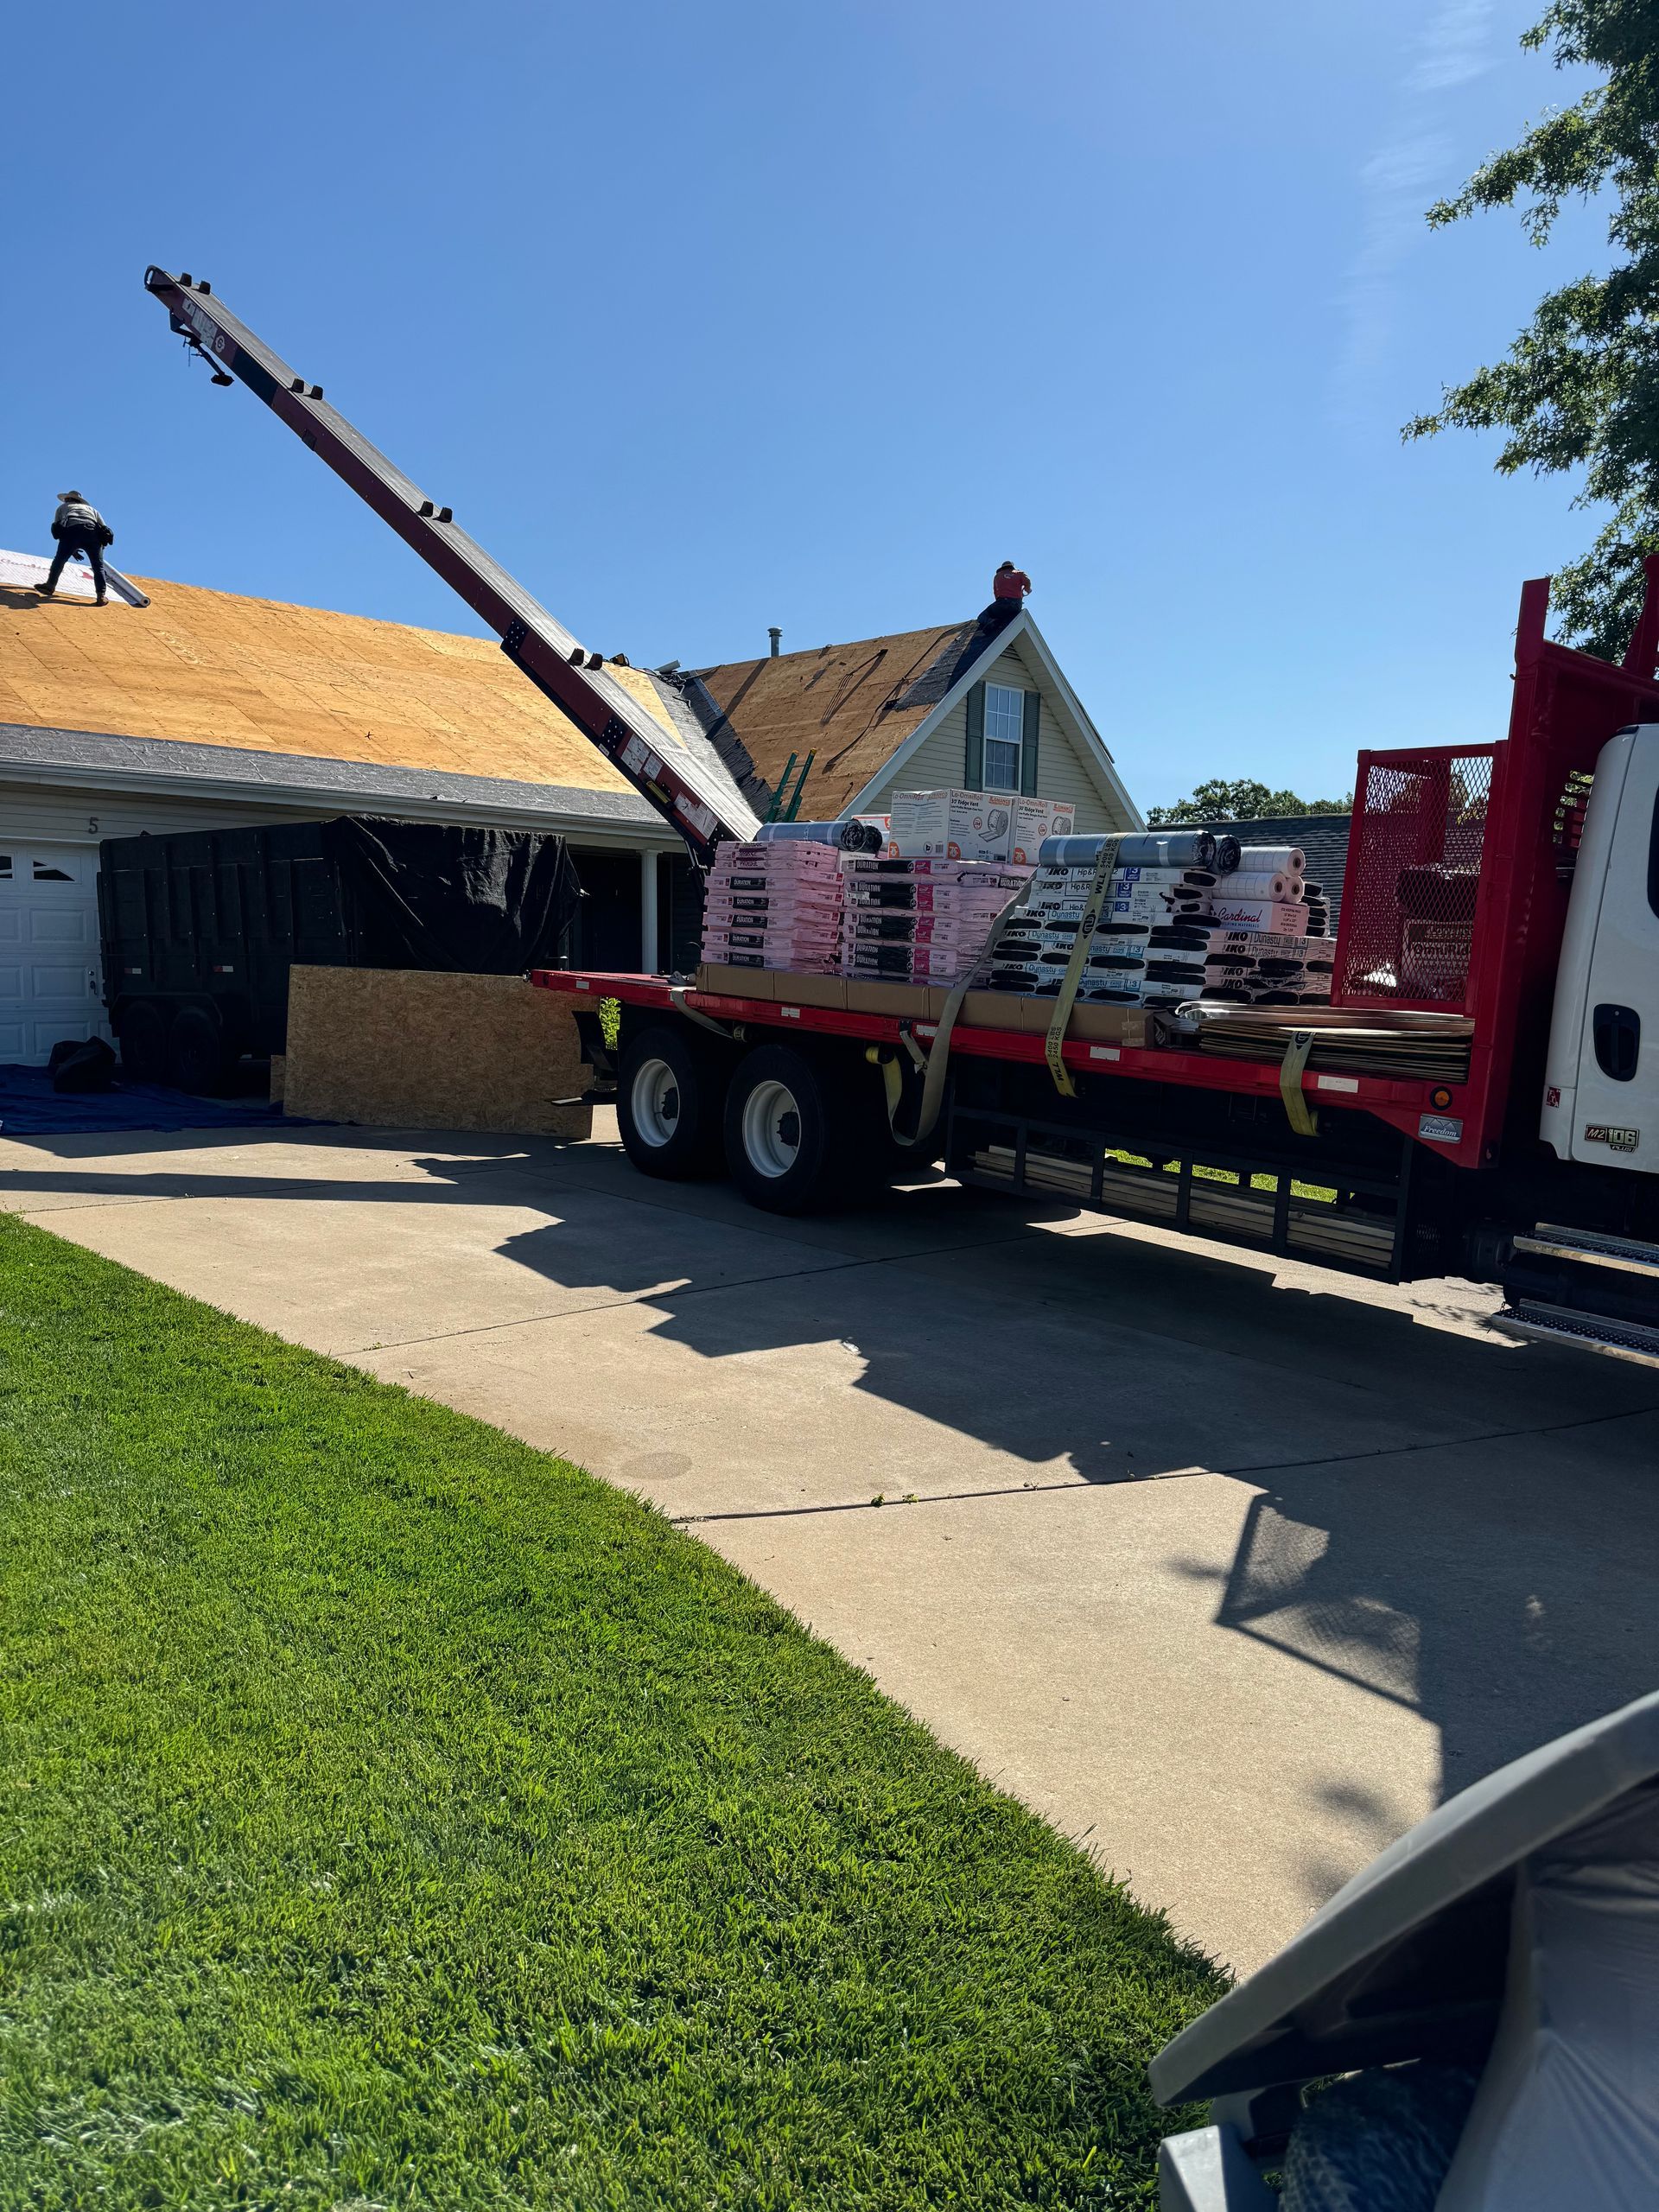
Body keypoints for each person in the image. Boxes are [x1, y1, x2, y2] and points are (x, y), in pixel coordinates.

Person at [39, 490, 112, 605]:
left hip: (72, 532)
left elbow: (58, 527)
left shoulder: (63, 507)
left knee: (59, 560)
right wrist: (99, 550)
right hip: (92, 533)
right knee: (98, 566)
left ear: (68, 500)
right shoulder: (93, 510)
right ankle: (101, 596)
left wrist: (69, 547)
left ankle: (50, 585)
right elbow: (105, 530)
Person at [977, 559, 1031, 634]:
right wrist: (1027, 589)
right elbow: (1027, 581)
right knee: (1007, 615)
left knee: (982, 616)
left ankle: (991, 622)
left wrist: (999, 603)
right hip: (1016, 605)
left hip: (1002, 603)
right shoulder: (1019, 574)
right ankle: (999, 623)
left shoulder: (997, 576)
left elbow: (996, 592)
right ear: (1012, 567)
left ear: (1002, 568)